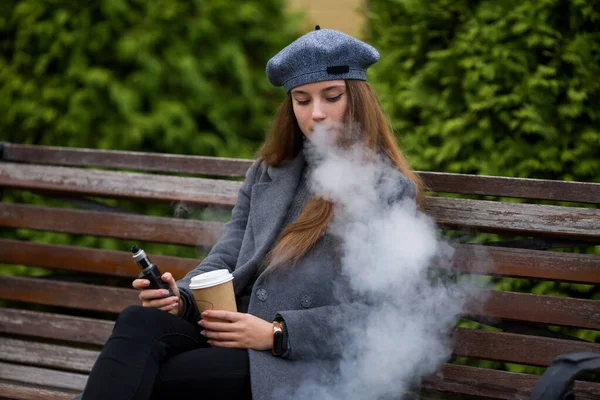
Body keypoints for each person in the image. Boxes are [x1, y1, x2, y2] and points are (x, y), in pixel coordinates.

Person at [75, 26, 423, 400]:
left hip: (300, 359)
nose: (316, 113)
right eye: (302, 100)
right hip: (233, 335)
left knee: (153, 376)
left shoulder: (386, 190)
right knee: (138, 321)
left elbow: (384, 313)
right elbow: (227, 256)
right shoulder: (269, 173)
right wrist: (183, 298)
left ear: (358, 99)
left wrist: (277, 332)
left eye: (331, 96)